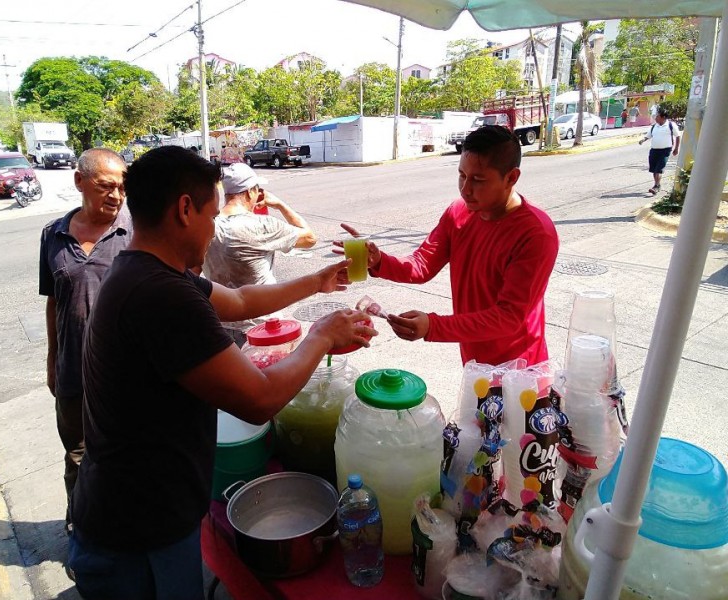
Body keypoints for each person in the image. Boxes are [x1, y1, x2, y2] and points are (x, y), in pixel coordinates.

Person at [67, 145, 373, 600]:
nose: (213, 231)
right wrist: (322, 336)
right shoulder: (162, 296)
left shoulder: (144, 270)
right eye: (212, 216)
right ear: (185, 210)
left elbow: (243, 301)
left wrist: (318, 281)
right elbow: (260, 399)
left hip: (130, 511)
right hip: (139, 531)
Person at [336, 125, 559, 367]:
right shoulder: (459, 212)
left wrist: (433, 326)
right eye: (462, 175)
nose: (465, 189)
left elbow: (508, 317)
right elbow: (422, 264)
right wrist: (379, 261)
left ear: (511, 178)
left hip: (520, 368)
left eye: (478, 180)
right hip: (474, 362)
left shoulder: (536, 234)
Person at [39, 147, 130, 533]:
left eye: (122, 188)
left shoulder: (134, 231)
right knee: (78, 457)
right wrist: (51, 360)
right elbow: (53, 302)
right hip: (73, 374)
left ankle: (124, 530)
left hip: (123, 376)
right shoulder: (53, 235)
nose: (116, 195)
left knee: (125, 457)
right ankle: (81, 529)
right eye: (106, 186)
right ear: (80, 182)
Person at [203, 162, 317, 346]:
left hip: (220, 326)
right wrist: (279, 205)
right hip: (262, 329)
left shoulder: (208, 226)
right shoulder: (261, 226)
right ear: (250, 192)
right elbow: (310, 238)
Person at [638, 108, 681, 195]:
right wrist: (643, 140)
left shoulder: (670, 125)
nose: (655, 118)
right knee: (654, 170)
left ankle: (656, 186)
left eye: (657, 116)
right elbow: (648, 135)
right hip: (654, 150)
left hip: (665, 150)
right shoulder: (654, 126)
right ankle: (657, 184)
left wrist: (676, 148)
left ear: (663, 117)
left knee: (659, 169)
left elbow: (678, 136)